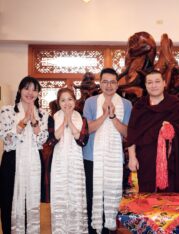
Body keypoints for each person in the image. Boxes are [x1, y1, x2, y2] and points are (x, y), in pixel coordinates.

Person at [83, 68, 132, 233]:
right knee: (92, 197)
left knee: (111, 198)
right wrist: (104, 114)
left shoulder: (126, 104)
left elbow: (127, 133)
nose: (108, 85)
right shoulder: (91, 102)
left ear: (117, 84)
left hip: (114, 158)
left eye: (112, 82)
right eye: (105, 81)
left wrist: (113, 117)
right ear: (100, 83)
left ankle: (110, 229)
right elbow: (87, 129)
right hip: (92, 158)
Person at [127, 70, 179, 193]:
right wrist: (132, 157)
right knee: (147, 193)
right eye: (150, 82)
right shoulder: (139, 106)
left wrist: (172, 128)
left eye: (157, 81)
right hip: (146, 157)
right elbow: (132, 133)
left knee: (172, 194)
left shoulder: (176, 105)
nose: (154, 85)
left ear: (164, 83)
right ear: (146, 85)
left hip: (171, 158)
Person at [0, 76, 49, 234]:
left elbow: (42, 140)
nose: (30, 92)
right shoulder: (7, 111)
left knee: (31, 202)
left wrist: (34, 122)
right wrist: (23, 122)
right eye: (27, 88)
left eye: (34, 89)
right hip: (11, 161)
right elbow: (6, 140)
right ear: (20, 90)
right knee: (8, 201)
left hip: (34, 161)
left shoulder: (43, 114)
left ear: (38, 93)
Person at [47, 88, 89, 233]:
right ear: (58, 103)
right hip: (59, 164)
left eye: (70, 99)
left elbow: (82, 140)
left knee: (76, 199)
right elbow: (52, 141)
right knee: (60, 199)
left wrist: (70, 122)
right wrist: (64, 121)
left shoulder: (81, 118)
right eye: (63, 100)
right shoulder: (53, 118)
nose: (67, 103)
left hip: (76, 164)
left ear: (75, 101)